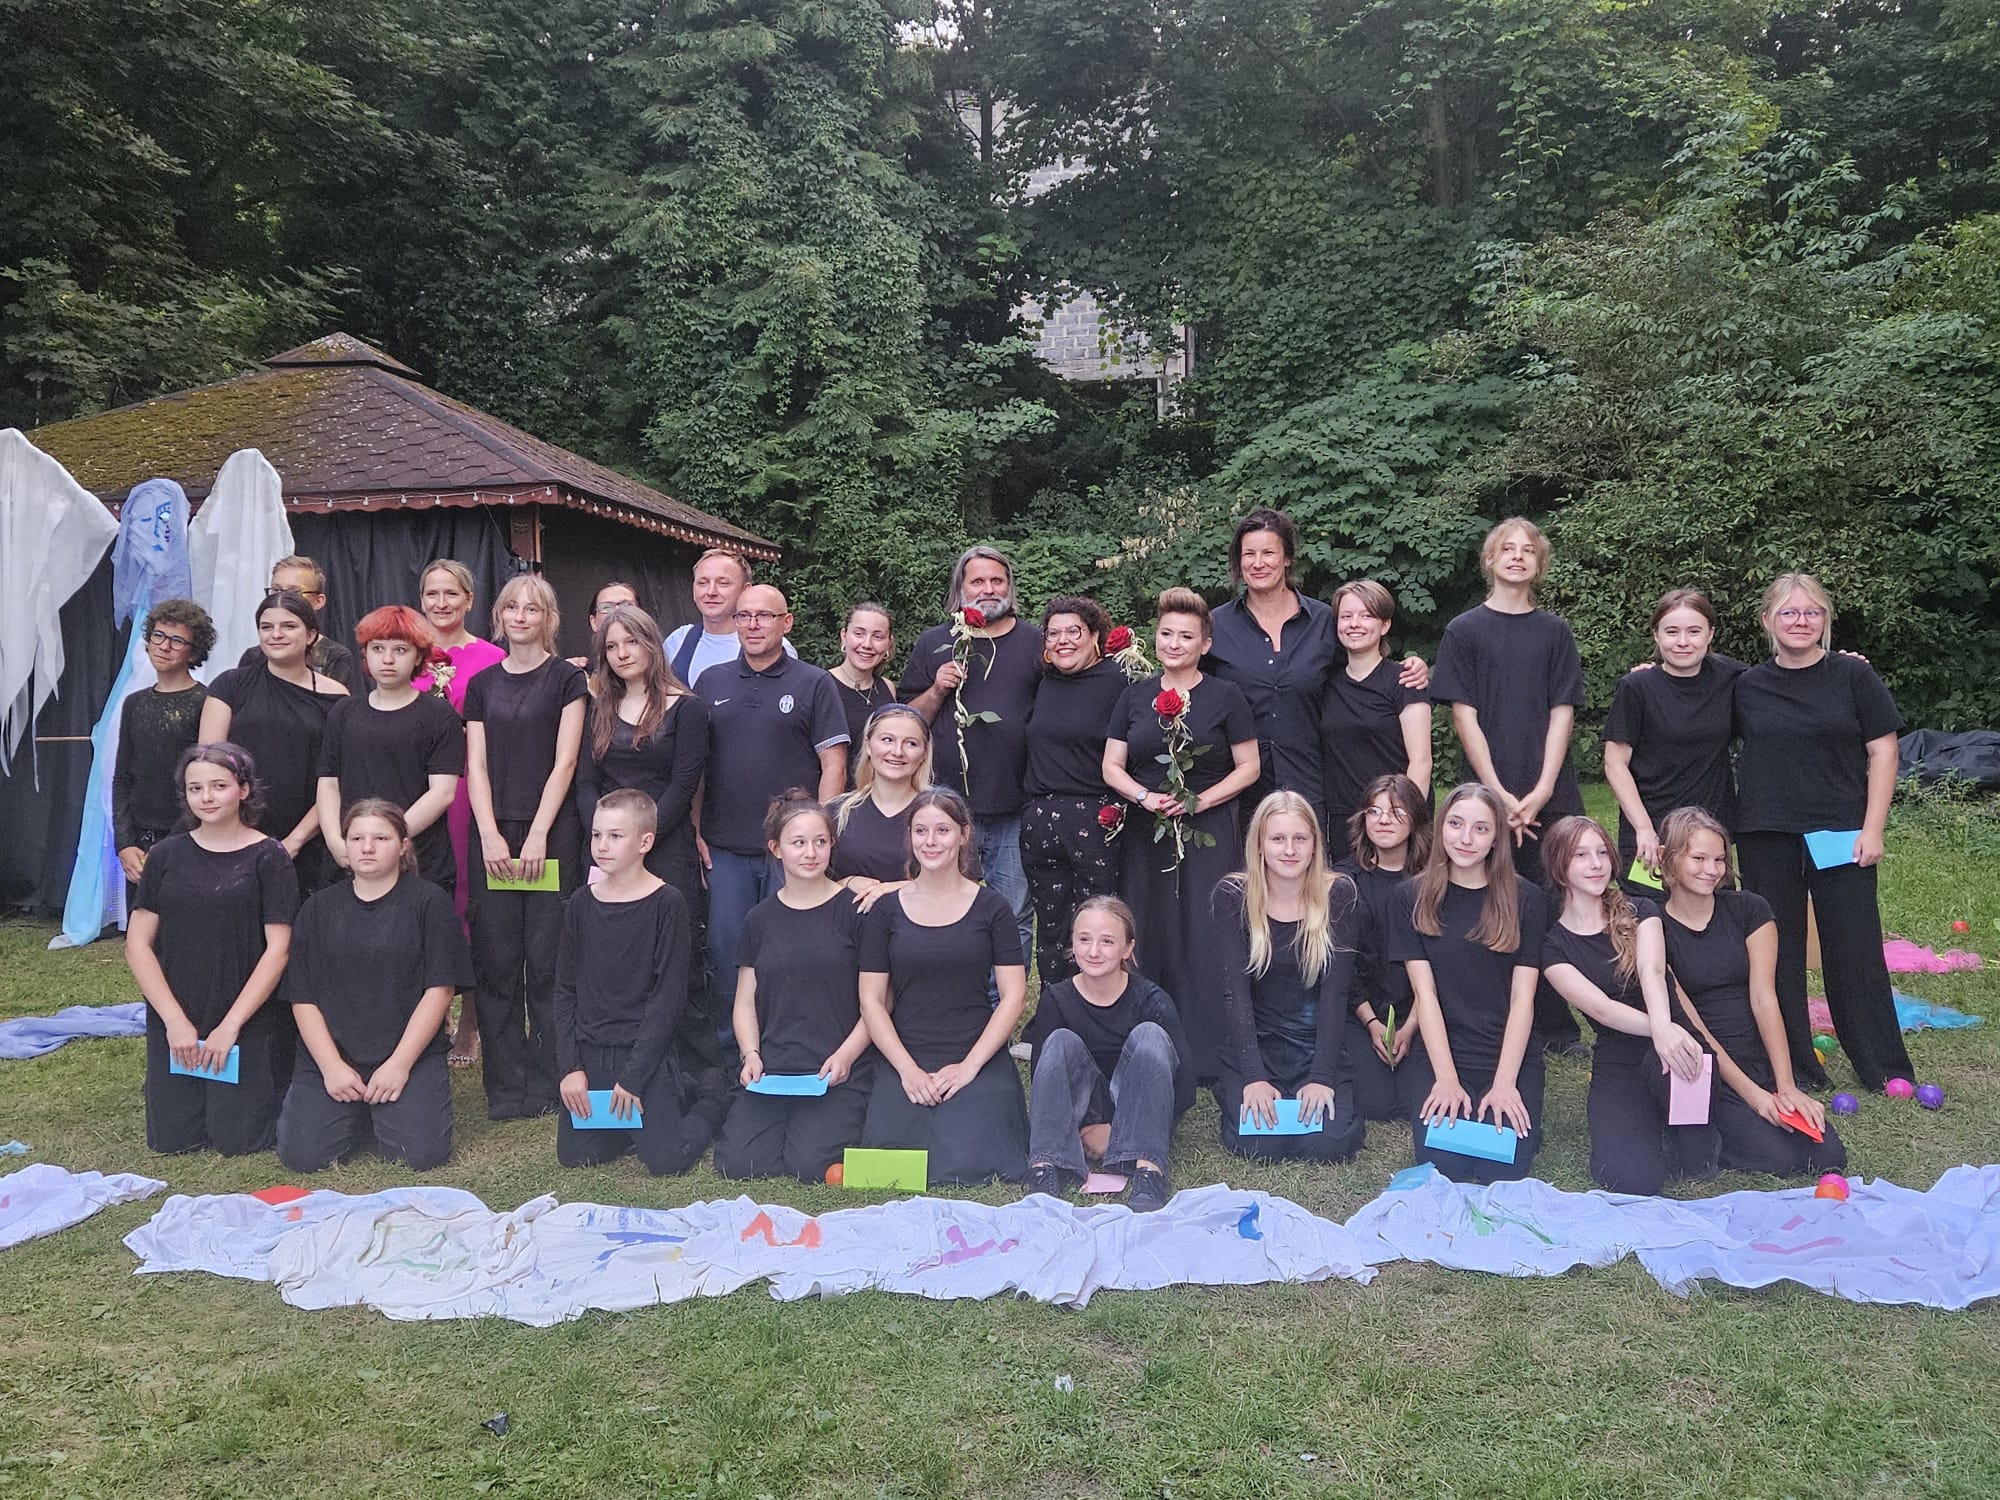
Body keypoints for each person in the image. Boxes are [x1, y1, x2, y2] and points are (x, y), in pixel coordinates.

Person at [1733, 574, 1912, 1094]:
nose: (1800, 621)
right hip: (1767, 832)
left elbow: (1884, 751)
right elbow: (1688, 691)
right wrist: (1649, 672)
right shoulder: (1744, 685)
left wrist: (1873, 828)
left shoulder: (1853, 675)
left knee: (1854, 949)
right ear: (1767, 621)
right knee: (1777, 952)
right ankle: (1794, 1067)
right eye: (1788, 612)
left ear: (1826, 620)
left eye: (1812, 612)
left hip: (1841, 833)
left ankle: (1882, 1067)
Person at [1428, 517, 1585, 1054]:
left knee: (1556, 901)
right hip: (1485, 796)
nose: (1517, 556)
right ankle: (1492, 1016)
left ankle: (1558, 1024)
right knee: (1490, 900)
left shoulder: (1555, 633)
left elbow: (1563, 712)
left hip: (1549, 791)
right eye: (1507, 549)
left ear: (1539, 564)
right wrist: (1495, 791)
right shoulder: (1463, 631)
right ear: (1490, 560)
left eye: (1528, 550)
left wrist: (1542, 789)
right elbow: (1463, 716)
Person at [1103, 587, 1260, 1080]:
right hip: (1146, 829)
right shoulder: (1134, 695)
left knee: (1205, 928)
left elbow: (1250, 766)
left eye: (1186, 636)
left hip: (1207, 826)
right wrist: (1144, 797)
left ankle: (1210, 1051)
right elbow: (1111, 765)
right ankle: (1146, 1043)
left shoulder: (1226, 696)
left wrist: (1200, 801)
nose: (1173, 643)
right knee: (1149, 925)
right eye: (1166, 633)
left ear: (1205, 644)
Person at [277, 800, 472, 1172]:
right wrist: (331, 1067)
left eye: (381, 838)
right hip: (334, 1052)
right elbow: (302, 997)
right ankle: (354, 1109)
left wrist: (399, 1065)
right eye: (357, 838)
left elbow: (440, 990)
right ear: (345, 846)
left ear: (403, 845)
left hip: (407, 1053)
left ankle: (379, 1107)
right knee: (303, 1156)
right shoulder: (317, 909)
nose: (367, 847)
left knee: (419, 1155)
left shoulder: (429, 903)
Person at [124, 742, 298, 1155]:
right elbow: (137, 944)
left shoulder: (269, 857)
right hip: (179, 1007)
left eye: (219, 786)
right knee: (172, 1139)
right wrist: (174, 1021)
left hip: (244, 1010)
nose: (207, 797)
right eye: (195, 788)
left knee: (237, 1139)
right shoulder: (165, 855)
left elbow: (279, 949)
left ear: (243, 789)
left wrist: (230, 1026)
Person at [697, 584, 849, 1044]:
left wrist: (819, 833)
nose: (752, 625)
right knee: (727, 950)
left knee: (793, 949)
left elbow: (834, 763)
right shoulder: (711, 681)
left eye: (764, 616)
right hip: (724, 846)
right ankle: (734, 1052)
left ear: (786, 622)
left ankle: (793, 1044)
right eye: (744, 616)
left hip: (790, 850)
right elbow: (695, 766)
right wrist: (694, 830)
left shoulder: (814, 682)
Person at [1659, 807, 1848, 1176]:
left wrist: (1786, 1086)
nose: (1711, 870)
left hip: (1757, 1056)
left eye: (1719, 860)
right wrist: (1753, 1096)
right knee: (1778, 1159)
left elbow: (1764, 999)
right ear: (1670, 859)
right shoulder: (1655, 926)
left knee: (1828, 1156)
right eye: (1699, 858)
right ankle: (1688, 1132)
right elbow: (1694, 1026)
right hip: (1705, 1065)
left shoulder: (1749, 909)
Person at [463, 573, 589, 1118]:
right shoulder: (482, 685)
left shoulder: (567, 680)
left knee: (546, 961)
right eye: (512, 607)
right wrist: (490, 833)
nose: (520, 616)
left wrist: (539, 832)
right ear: (499, 616)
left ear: (548, 618)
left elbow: (566, 761)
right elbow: (476, 765)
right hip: (493, 836)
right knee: (496, 960)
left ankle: (547, 1082)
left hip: (551, 834)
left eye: (532, 609)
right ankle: (505, 1087)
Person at [1205, 509, 1425, 817]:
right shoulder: (1216, 626)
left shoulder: (1324, 622)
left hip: (1312, 790)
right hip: (1240, 797)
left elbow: (1362, 666)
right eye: (1249, 554)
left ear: (1287, 558)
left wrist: (1412, 666)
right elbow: (1191, 690)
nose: (1258, 563)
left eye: (1268, 553)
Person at [858, 789, 1029, 1185]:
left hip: (975, 1052)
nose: (931, 841)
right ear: (909, 837)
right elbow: (871, 999)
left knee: (972, 1160)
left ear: (964, 835)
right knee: (892, 1161)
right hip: (906, 1053)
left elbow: (1014, 996)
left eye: (942, 830)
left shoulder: (992, 907)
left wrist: (969, 1067)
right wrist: (907, 1070)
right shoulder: (886, 910)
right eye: (921, 831)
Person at [554, 789, 725, 1173]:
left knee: (667, 1160)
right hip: (591, 1050)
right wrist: (570, 1068)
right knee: (577, 1155)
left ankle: (710, 1100)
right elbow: (564, 989)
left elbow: (667, 1000)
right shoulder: (580, 903)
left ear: (645, 842)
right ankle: (635, 1123)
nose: (602, 845)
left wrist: (632, 1078)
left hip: (643, 1053)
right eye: (597, 835)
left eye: (616, 836)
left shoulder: (667, 903)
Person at [1539, 815, 1712, 1194]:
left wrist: (1665, 1030)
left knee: (1698, 1165)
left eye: (1602, 852)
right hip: (1620, 1051)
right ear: (1559, 866)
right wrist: (1657, 1030)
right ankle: (1651, 1125)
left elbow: (1651, 971)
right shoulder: (1552, 946)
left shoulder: (1641, 909)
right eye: (1581, 855)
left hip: (1677, 1038)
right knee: (1631, 1178)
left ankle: (1684, 1128)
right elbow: (1601, 1008)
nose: (1596, 864)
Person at [1390, 783, 1549, 1183]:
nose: (1465, 838)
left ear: (1496, 838)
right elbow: (1425, 994)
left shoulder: (1527, 899)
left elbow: (1523, 997)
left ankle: (1520, 1103)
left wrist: (1505, 1083)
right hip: (1443, 1050)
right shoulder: (1410, 897)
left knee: (1502, 1168)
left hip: (1506, 1051)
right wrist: (1445, 1079)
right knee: (1448, 1167)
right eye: (1456, 824)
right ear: (1441, 827)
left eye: (1481, 829)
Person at [714, 794, 873, 1181]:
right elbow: (745, 1002)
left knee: (809, 1165)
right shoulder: (759, 919)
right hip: (775, 1068)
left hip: (836, 1066)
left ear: (832, 845)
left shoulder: (855, 911)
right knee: (740, 1164)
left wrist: (847, 1055)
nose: (810, 853)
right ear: (776, 848)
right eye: (798, 842)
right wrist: (751, 1054)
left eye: (820, 841)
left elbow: (880, 999)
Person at [899, 545, 1043, 967]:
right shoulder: (936, 642)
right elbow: (907, 721)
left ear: (1010, 587)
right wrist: (937, 688)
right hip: (946, 805)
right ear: (960, 589)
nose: (988, 589)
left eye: (997, 580)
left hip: (1015, 804)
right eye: (977, 581)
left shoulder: (1035, 642)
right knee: (942, 908)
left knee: (1013, 913)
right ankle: (953, 994)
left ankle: (1003, 1000)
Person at [1211, 791, 1367, 1163]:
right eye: (1278, 839)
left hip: (1313, 1045)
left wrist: (1322, 1076)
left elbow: (1336, 993)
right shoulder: (1232, 895)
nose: (1290, 849)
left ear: (1315, 844)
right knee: (1261, 1145)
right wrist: (1253, 1077)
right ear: (1259, 844)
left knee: (1324, 1145)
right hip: (1258, 1042)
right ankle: (1234, 1087)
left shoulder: (1339, 893)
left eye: (1300, 838)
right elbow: (1235, 993)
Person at [1021, 897, 1195, 1211]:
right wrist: (1083, 1128)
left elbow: (1183, 1088)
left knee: (1150, 1035)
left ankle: (1148, 1171)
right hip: (1085, 1107)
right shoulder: (1056, 999)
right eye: (1084, 939)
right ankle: (1045, 1166)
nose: (1093, 951)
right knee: (1059, 1041)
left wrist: (1117, 1132)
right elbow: (1044, 1080)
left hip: (1138, 1110)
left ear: (1128, 948)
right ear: (1073, 944)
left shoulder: (1152, 1000)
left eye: (1107, 941)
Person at [413, 557, 507, 1065]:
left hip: (470, 790)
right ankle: (432, 1014)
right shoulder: (404, 651)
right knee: (423, 898)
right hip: (416, 790)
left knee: (470, 900)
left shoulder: (492, 658)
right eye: (432, 593)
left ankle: (470, 1021)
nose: (441, 603)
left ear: (469, 600)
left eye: (451, 593)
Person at [199, 591, 351, 894]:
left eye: (288, 626)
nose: (276, 634)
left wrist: (295, 841)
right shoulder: (230, 685)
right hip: (233, 833)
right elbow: (208, 766)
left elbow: (337, 779)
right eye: (266, 627)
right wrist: (237, 834)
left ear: (311, 634)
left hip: (308, 840)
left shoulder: (336, 697)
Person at [1601, 589, 1748, 890]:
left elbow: (1786, 680)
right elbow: (1615, 763)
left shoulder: (1732, 678)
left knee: (1713, 914)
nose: (1683, 641)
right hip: (1651, 832)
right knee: (1650, 913)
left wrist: (1842, 665)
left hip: (1709, 836)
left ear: (1710, 634)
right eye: (1671, 632)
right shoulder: (1636, 687)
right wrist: (1644, 828)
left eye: (1694, 631)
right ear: (1656, 635)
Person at [315, 606, 465, 891]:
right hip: (351, 860)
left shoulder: (439, 715)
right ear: (365, 653)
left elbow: (442, 793)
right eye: (377, 648)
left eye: (400, 650)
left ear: (418, 656)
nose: (387, 659)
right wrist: (336, 840)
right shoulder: (343, 712)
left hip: (420, 862)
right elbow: (329, 783)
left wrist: (386, 840)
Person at [1020, 596, 1128, 984]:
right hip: (1041, 821)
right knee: (1051, 926)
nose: (1062, 641)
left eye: (1073, 632)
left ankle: (1100, 1004)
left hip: (1095, 822)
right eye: (1053, 634)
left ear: (1095, 636)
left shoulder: (1118, 682)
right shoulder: (1044, 682)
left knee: (1097, 925)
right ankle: (1055, 1007)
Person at [574, 605, 707, 903]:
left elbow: (683, 787)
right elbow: (585, 782)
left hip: (664, 844)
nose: (622, 654)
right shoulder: (597, 709)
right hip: (605, 851)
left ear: (651, 644)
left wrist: (638, 840)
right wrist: (604, 837)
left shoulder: (688, 709)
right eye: (611, 646)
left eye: (631, 642)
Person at [1334, 774, 1432, 1124]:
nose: (1384, 820)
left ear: (1415, 819)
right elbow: (1341, 964)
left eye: (1396, 812)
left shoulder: (1434, 882)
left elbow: (1440, 963)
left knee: (1412, 1101)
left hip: (1422, 1011)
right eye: (1374, 812)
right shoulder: (1343, 880)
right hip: (1361, 1011)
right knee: (1375, 1104)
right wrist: (1372, 1022)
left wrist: (1411, 1026)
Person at [1319, 579, 1432, 862]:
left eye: (1366, 615)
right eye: (1346, 616)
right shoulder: (1325, 682)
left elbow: (1421, 762)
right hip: (1345, 819)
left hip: (1394, 819)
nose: (1354, 624)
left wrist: (1402, 818)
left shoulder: (1405, 680)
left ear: (1385, 625)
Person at [114, 598, 215, 896]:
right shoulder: (134, 703)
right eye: (158, 636)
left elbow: (205, 780)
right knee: (140, 918)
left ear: (193, 651)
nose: (164, 646)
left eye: (176, 640)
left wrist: (171, 843)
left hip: (188, 834)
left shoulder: (206, 702)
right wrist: (124, 843)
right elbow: (122, 777)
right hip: (138, 838)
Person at [828, 703, 935, 899]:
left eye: (911, 743)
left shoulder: (941, 814)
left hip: (919, 918)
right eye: (887, 740)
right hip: (848, 918)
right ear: (868, 745)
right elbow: (807, 887)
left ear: (924, 753)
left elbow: (966, 888)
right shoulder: (836, 813)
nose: (897, 751)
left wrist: (908, 888)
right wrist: (846, 883)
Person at [663, 549, 795, 685]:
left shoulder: (771, 646)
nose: (711, 592)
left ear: (745, 590)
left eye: (723, 583)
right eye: (703, 583)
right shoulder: (678, 641)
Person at [234, 555, 360, 691]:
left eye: (295, 592)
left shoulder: (335, 657)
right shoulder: (253, 656)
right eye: (276, 590)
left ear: (318, 601)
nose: (282, 598)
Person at [827, 603, 898, 784]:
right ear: (844, 636)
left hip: (880, 795)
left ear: (888, 643)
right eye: (859, 634)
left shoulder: (887, 688)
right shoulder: (822, 686)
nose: (867, 644)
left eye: (877, 637)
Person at [566, 580, 641, 670]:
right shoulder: (580, 672)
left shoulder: (657, 664)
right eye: (606, 607)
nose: (617, 611)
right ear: (593, 622)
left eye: (627, 605)